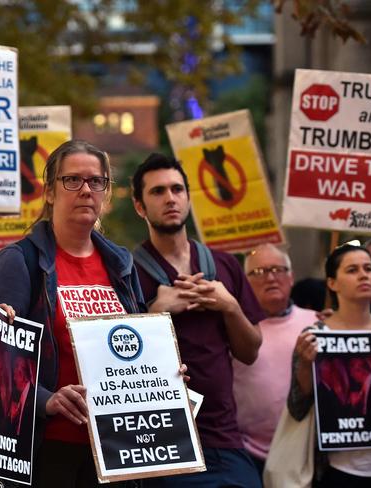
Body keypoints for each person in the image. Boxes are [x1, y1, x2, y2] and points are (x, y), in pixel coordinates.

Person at [0, 140, 146, 487]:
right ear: (50, 191)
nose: (85, 190)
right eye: (73, 180)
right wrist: (45, 400)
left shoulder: (122, 265)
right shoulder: (19, 262)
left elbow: (137, 347)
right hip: (48, 451)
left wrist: (165, 380)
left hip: (118, 450)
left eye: (96, 182)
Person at [131, 153, 264, 487]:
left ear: (189, 198)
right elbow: (114, 360)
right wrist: (154, 315)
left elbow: (250, 352)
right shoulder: (126, 271)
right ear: (139, 206)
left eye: (177, 189)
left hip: (226, 440)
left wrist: (229, 306)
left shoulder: (225, 265)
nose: (170, 198)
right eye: (158, 192)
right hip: (161, 443)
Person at [289, 244, 371, 485]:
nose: (364, 275)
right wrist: (304, 364)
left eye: (368, 268)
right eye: (352, 270)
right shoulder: (315, 336)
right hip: (339, 470)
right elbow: (297, 407)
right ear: (332, 283)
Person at [232, 243, 317, 475]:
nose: (270, 278)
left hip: (305, 452)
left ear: (291, 277)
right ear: (245, 283)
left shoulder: (317, 323)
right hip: (248, 454)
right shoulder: (235, 327)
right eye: (259, 272)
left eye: (278, 270)